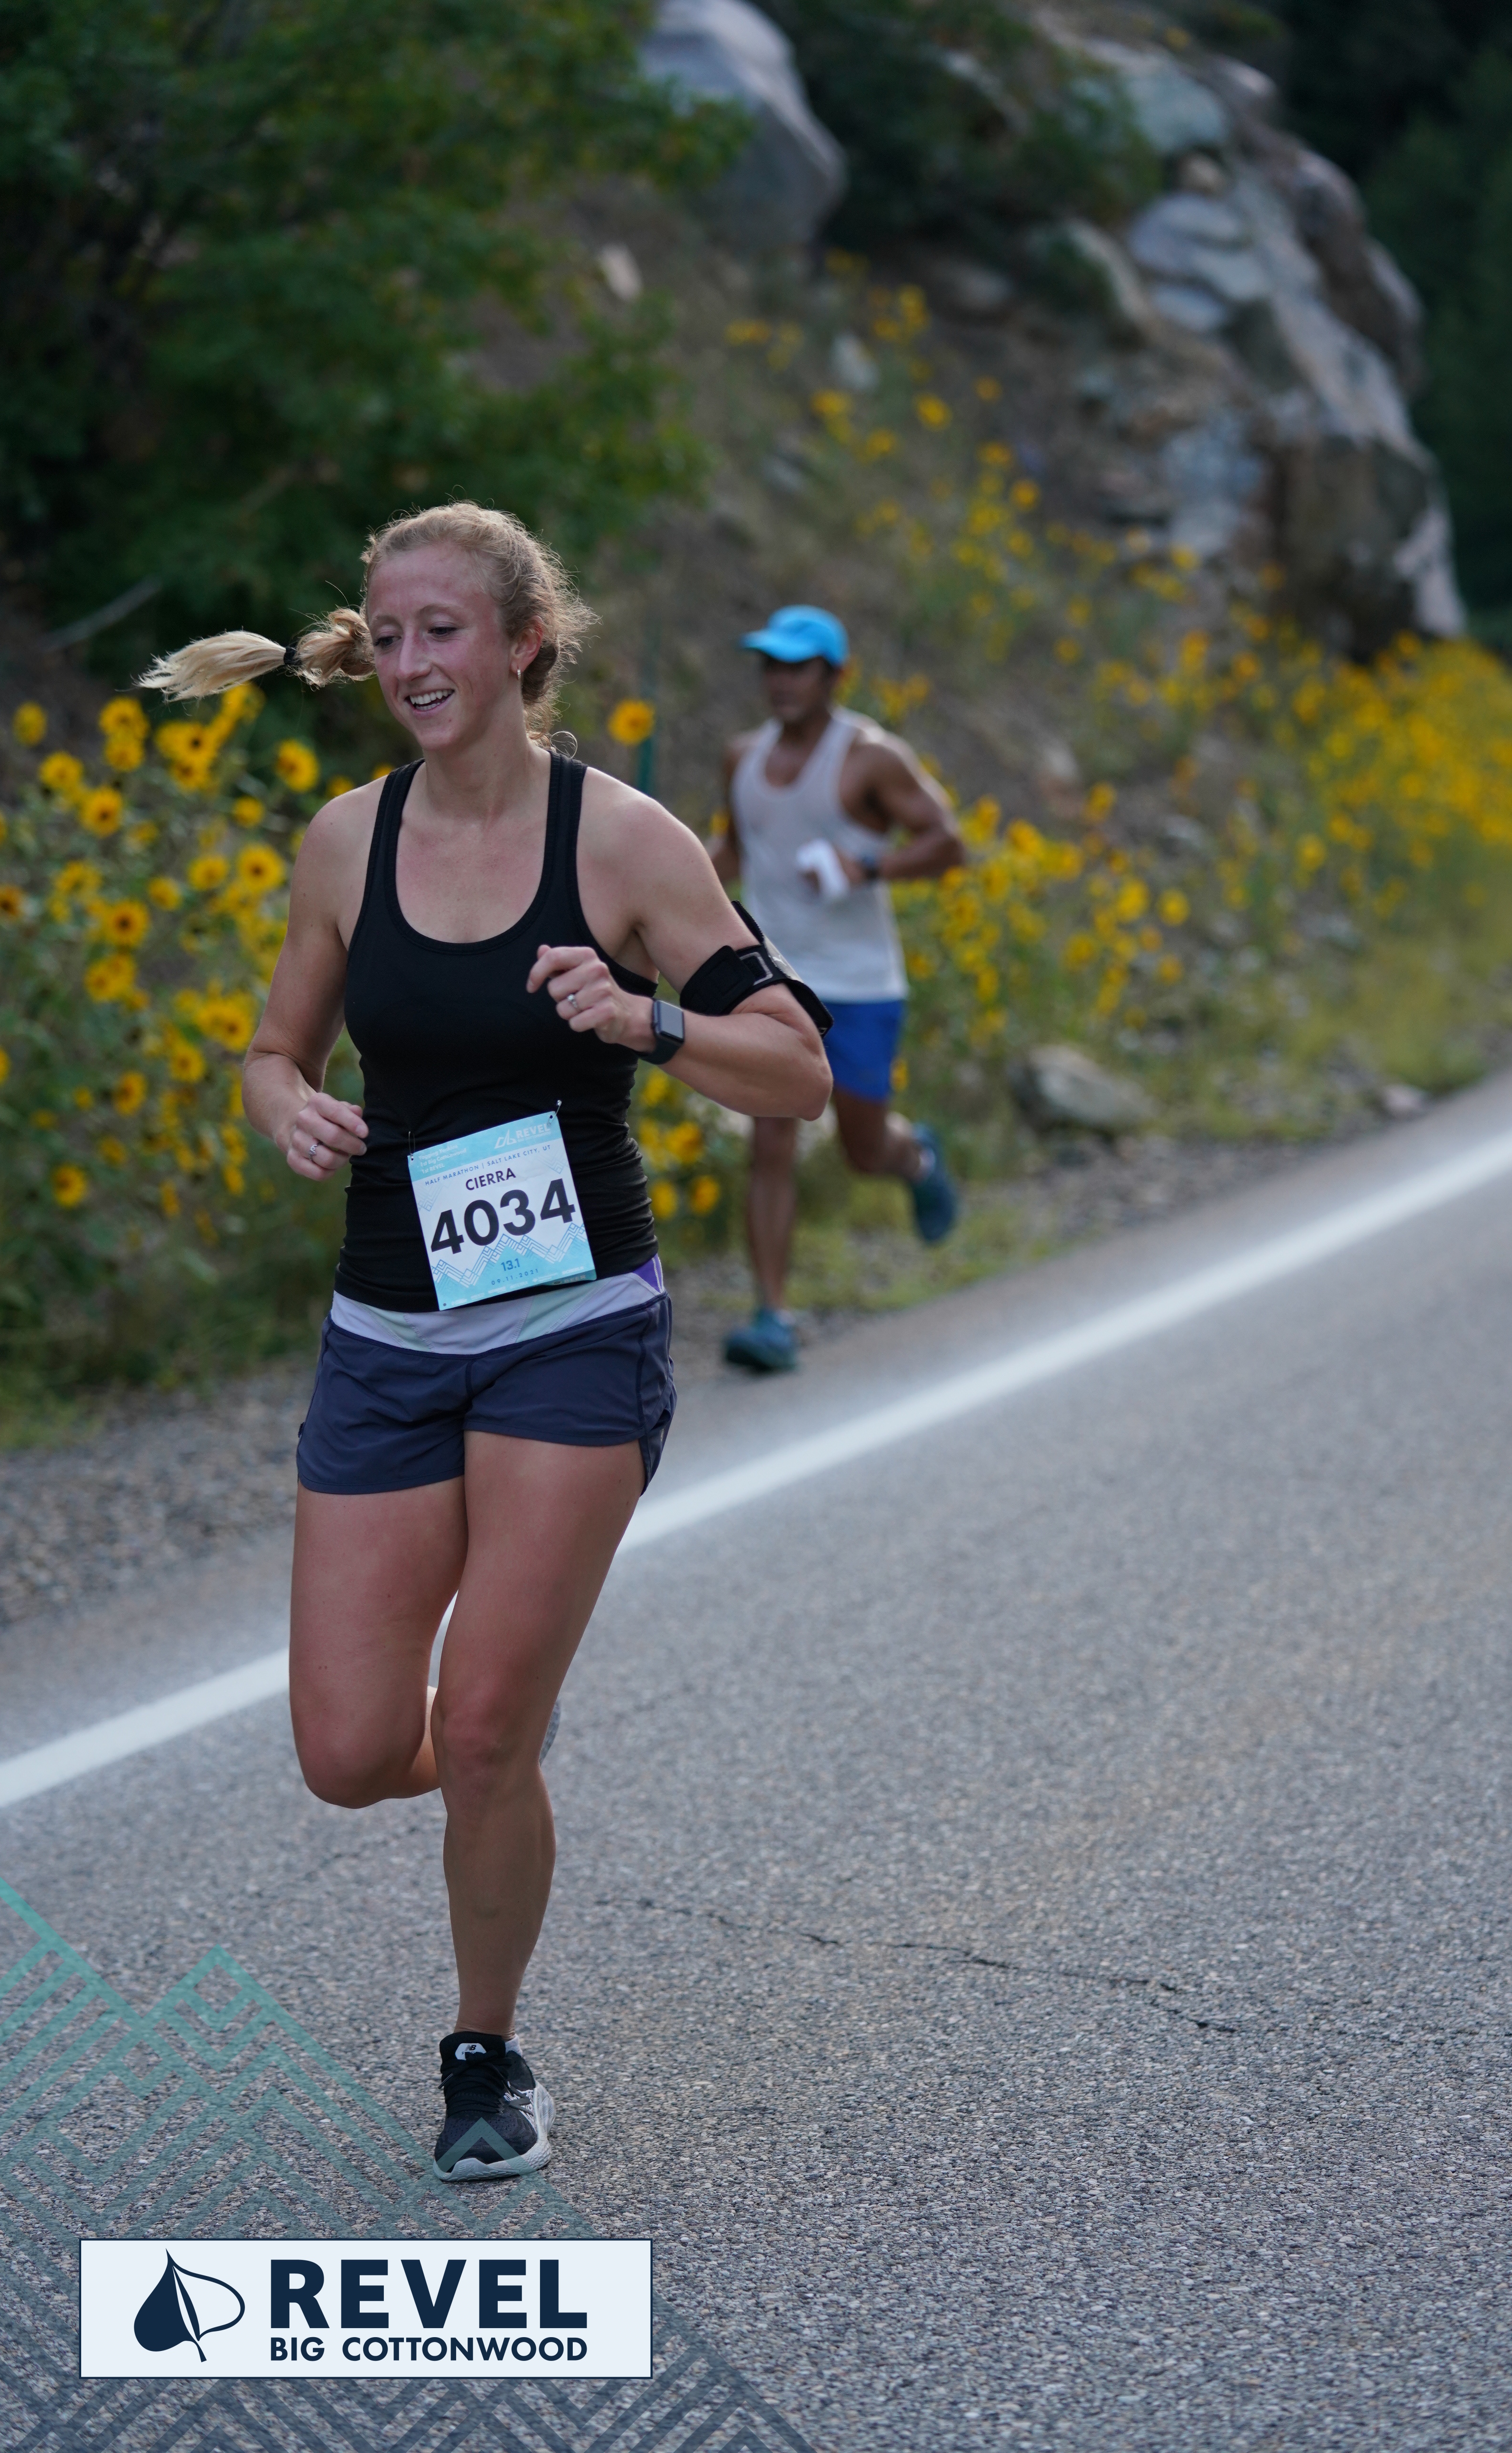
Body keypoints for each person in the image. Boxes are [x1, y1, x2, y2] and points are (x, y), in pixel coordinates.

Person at [140, 505, 830, 2179]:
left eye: (440, 630)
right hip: (387, 1331)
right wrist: (284, 1105)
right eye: (387, 636)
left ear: (525, 642)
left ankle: (484, 2051)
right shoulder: (344, 842)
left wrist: (648, 1018)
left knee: (486, 1732)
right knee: (347, 1752)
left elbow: (795, 1066)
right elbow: (273, 1048)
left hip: (571, 1329)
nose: (409, 663)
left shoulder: (625, 843)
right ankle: (493, 1754)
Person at [713, 604, 966, 1373]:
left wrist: (866, 866)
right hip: (772, 980)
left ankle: (914, 1159)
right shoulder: (740, 757)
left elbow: (947, 842)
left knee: (863, 1148)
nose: (780, 681)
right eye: (771, 665)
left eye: (798, 667)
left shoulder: (870, 758)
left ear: (834, 675)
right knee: (771, 1140)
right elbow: (733, 849)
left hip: (859, 984)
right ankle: (772, 1316)